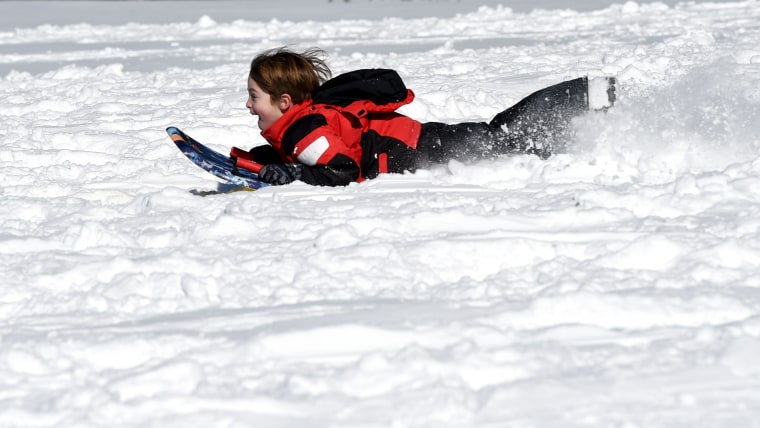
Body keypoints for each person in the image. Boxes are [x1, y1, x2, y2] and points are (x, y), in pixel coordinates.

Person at [244, 47, 615, 186]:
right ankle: (576, 136)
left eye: (254, 96)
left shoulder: (303, 130)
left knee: (501, 137)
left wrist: (291, 173)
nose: (248, 105)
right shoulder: (302, 123)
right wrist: (257, 161)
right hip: (421, 141)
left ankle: (589, 95)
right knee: (506, 142)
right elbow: (317, 155)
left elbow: (341, 170)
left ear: (285, 100)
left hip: (426, 147)